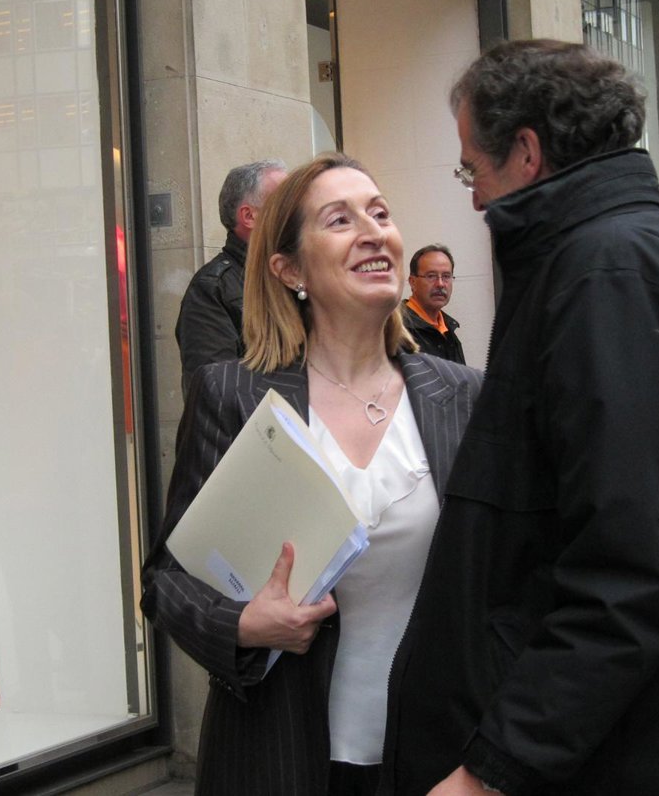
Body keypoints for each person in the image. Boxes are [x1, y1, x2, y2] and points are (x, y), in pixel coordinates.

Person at [379, 40, 659, 796]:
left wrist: (492, 771)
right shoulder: (631, 257)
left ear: (527, 153)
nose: (475, 198)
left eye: (471, 170)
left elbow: (627, 573)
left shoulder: (611, 275)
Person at [142, 153, 482, 796]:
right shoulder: (234, 396)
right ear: (289, 269)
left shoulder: (464, 397)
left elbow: (509, 590)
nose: (373, 231)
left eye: (380, 213)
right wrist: (243, 626)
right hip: (277, 757)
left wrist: (496, 762)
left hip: (439, 762)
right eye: (340, 220)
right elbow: (166, 580)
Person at [175, 159, 287, 394]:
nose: (298, 211)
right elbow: (215, 394)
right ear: (249, 216)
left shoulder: (301, 275)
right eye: (285, 202)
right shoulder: (211, 290)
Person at [402, 244, 465, 364]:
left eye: (446, 276)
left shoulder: (448, 330)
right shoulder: (397, 330)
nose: (440, 284)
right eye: (431, 276)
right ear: (412, 282)